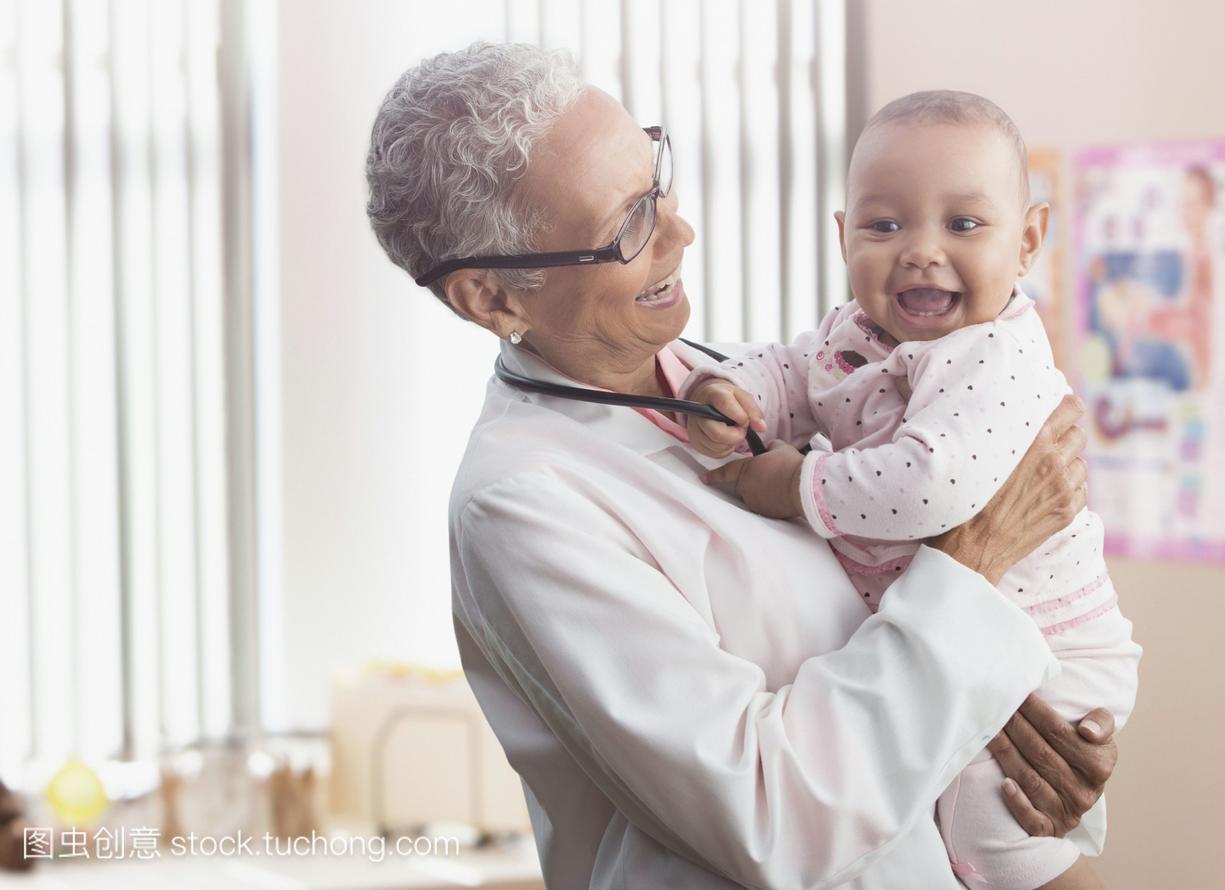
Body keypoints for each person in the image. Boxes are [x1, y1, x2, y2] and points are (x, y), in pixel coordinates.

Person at [365, 43, 1119, 889]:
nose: (681, 232)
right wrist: (979, 558)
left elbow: (894, 638)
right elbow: (775, 818)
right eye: (628, 226)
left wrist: (1022, 725)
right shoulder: (523, 502)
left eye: (658, 182)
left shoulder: (733, 380)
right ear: (494, 296)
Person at [680, 91, 1141, 889]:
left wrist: (798, 486)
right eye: (885, 226)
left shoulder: (994, 358)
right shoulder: (855, 335)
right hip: (966, 633)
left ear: (1027, 239)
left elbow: (936, 486)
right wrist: (732, 387)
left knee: (1001, 847)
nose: (921, 251)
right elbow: (794, 372)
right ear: (842, 236)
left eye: (963, 224)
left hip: (1053, 644)